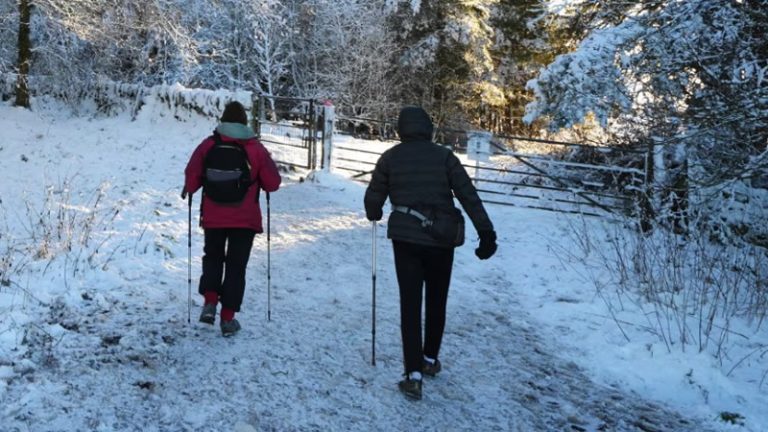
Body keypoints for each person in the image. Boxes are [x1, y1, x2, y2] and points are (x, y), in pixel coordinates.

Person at [364, 106, 497, 401]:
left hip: (405, 240)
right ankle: (429, 359)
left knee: (410, 305)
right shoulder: (445, 157)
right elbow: (468, 194)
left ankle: (412, 374)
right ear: (428, 128)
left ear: (402, 129)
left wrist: (374, 211)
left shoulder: (391, 157)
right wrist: (486, 232)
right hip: (441, 240)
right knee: (437, 300)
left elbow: (374, 197)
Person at [182, 101, 281, 337]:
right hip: (244, 219)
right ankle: (227, 318)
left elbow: (192, 176)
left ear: (223, 121)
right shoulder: (255, 148)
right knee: (236, 266)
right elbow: (273, 183)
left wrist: (189, 188)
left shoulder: (208, 145)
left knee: (213, 257)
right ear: (245, 122)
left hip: (214, 215)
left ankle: (209, 301)